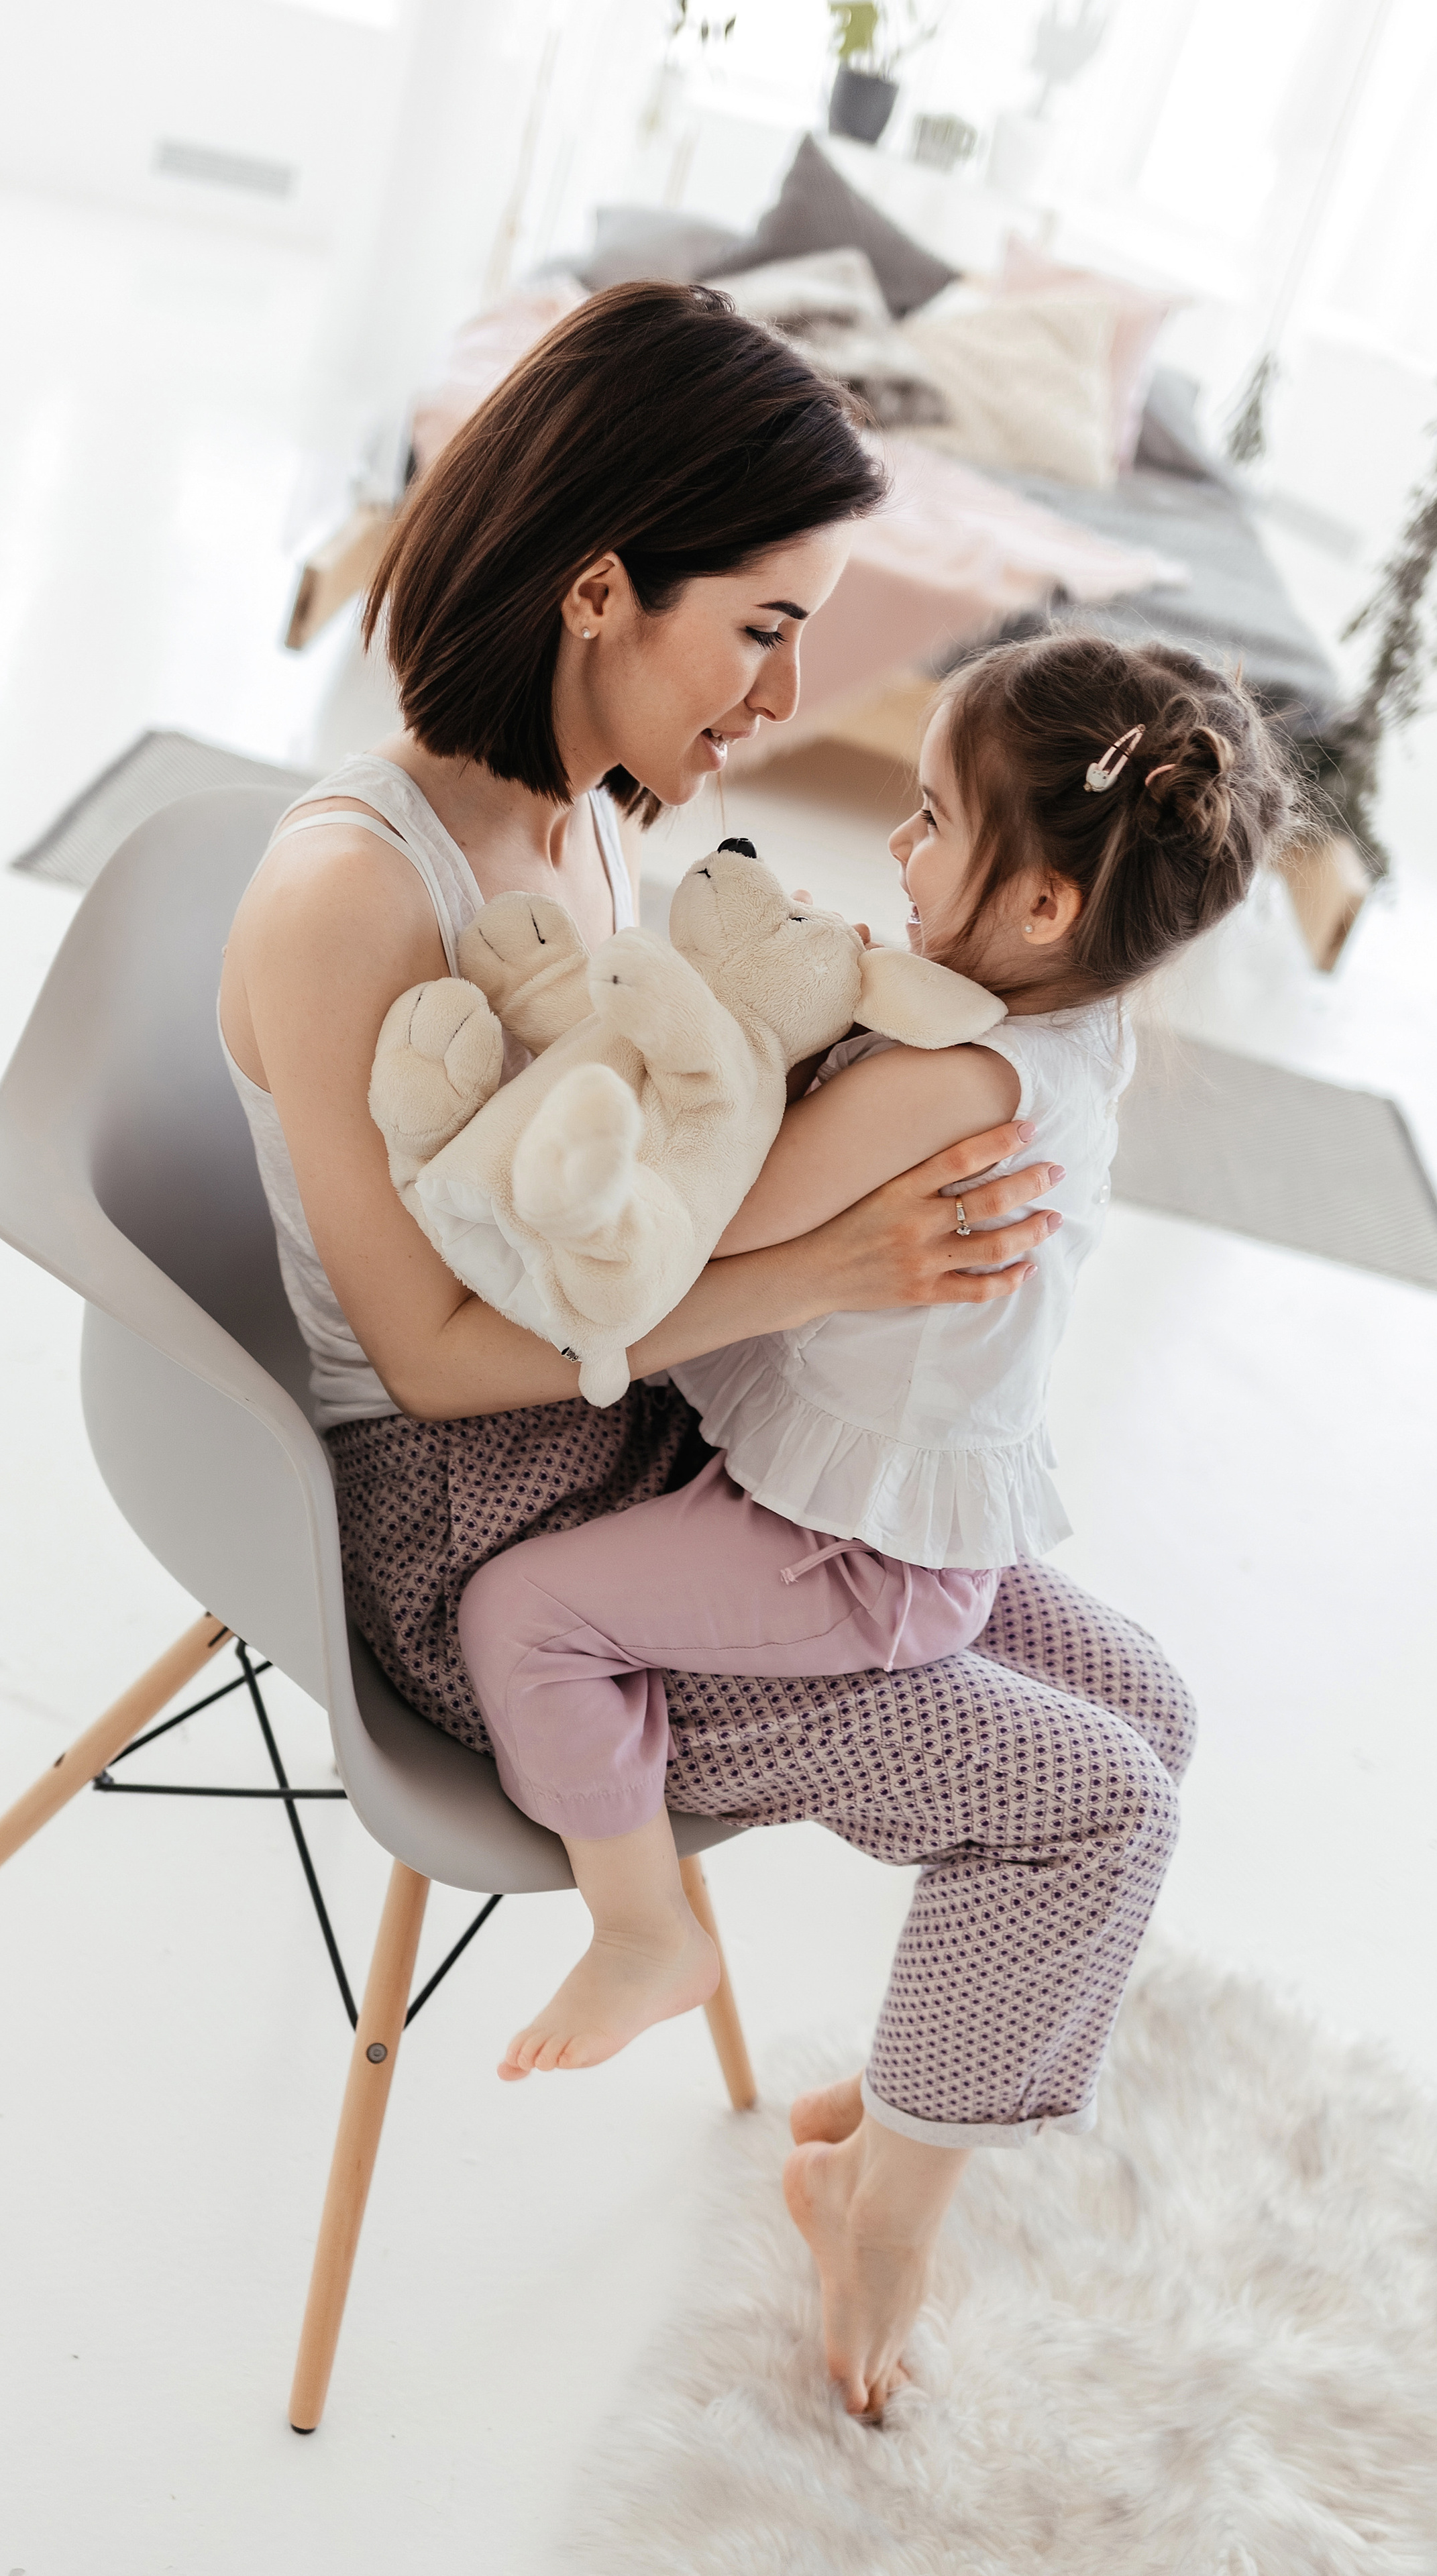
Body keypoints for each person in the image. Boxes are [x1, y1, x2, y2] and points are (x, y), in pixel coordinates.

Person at [219, 282, 1209, 2419]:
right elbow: (441, 1350)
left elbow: (675, 1134)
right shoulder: (350, 892)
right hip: (472, 1526)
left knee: (1148, 1702)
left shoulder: (583, 804)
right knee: (1086, 1806)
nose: (789, 696)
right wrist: (830, 1272)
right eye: (766, 627)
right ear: (601, 590)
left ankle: (909, 2123)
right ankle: (891, 2210)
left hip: (660, 1443)